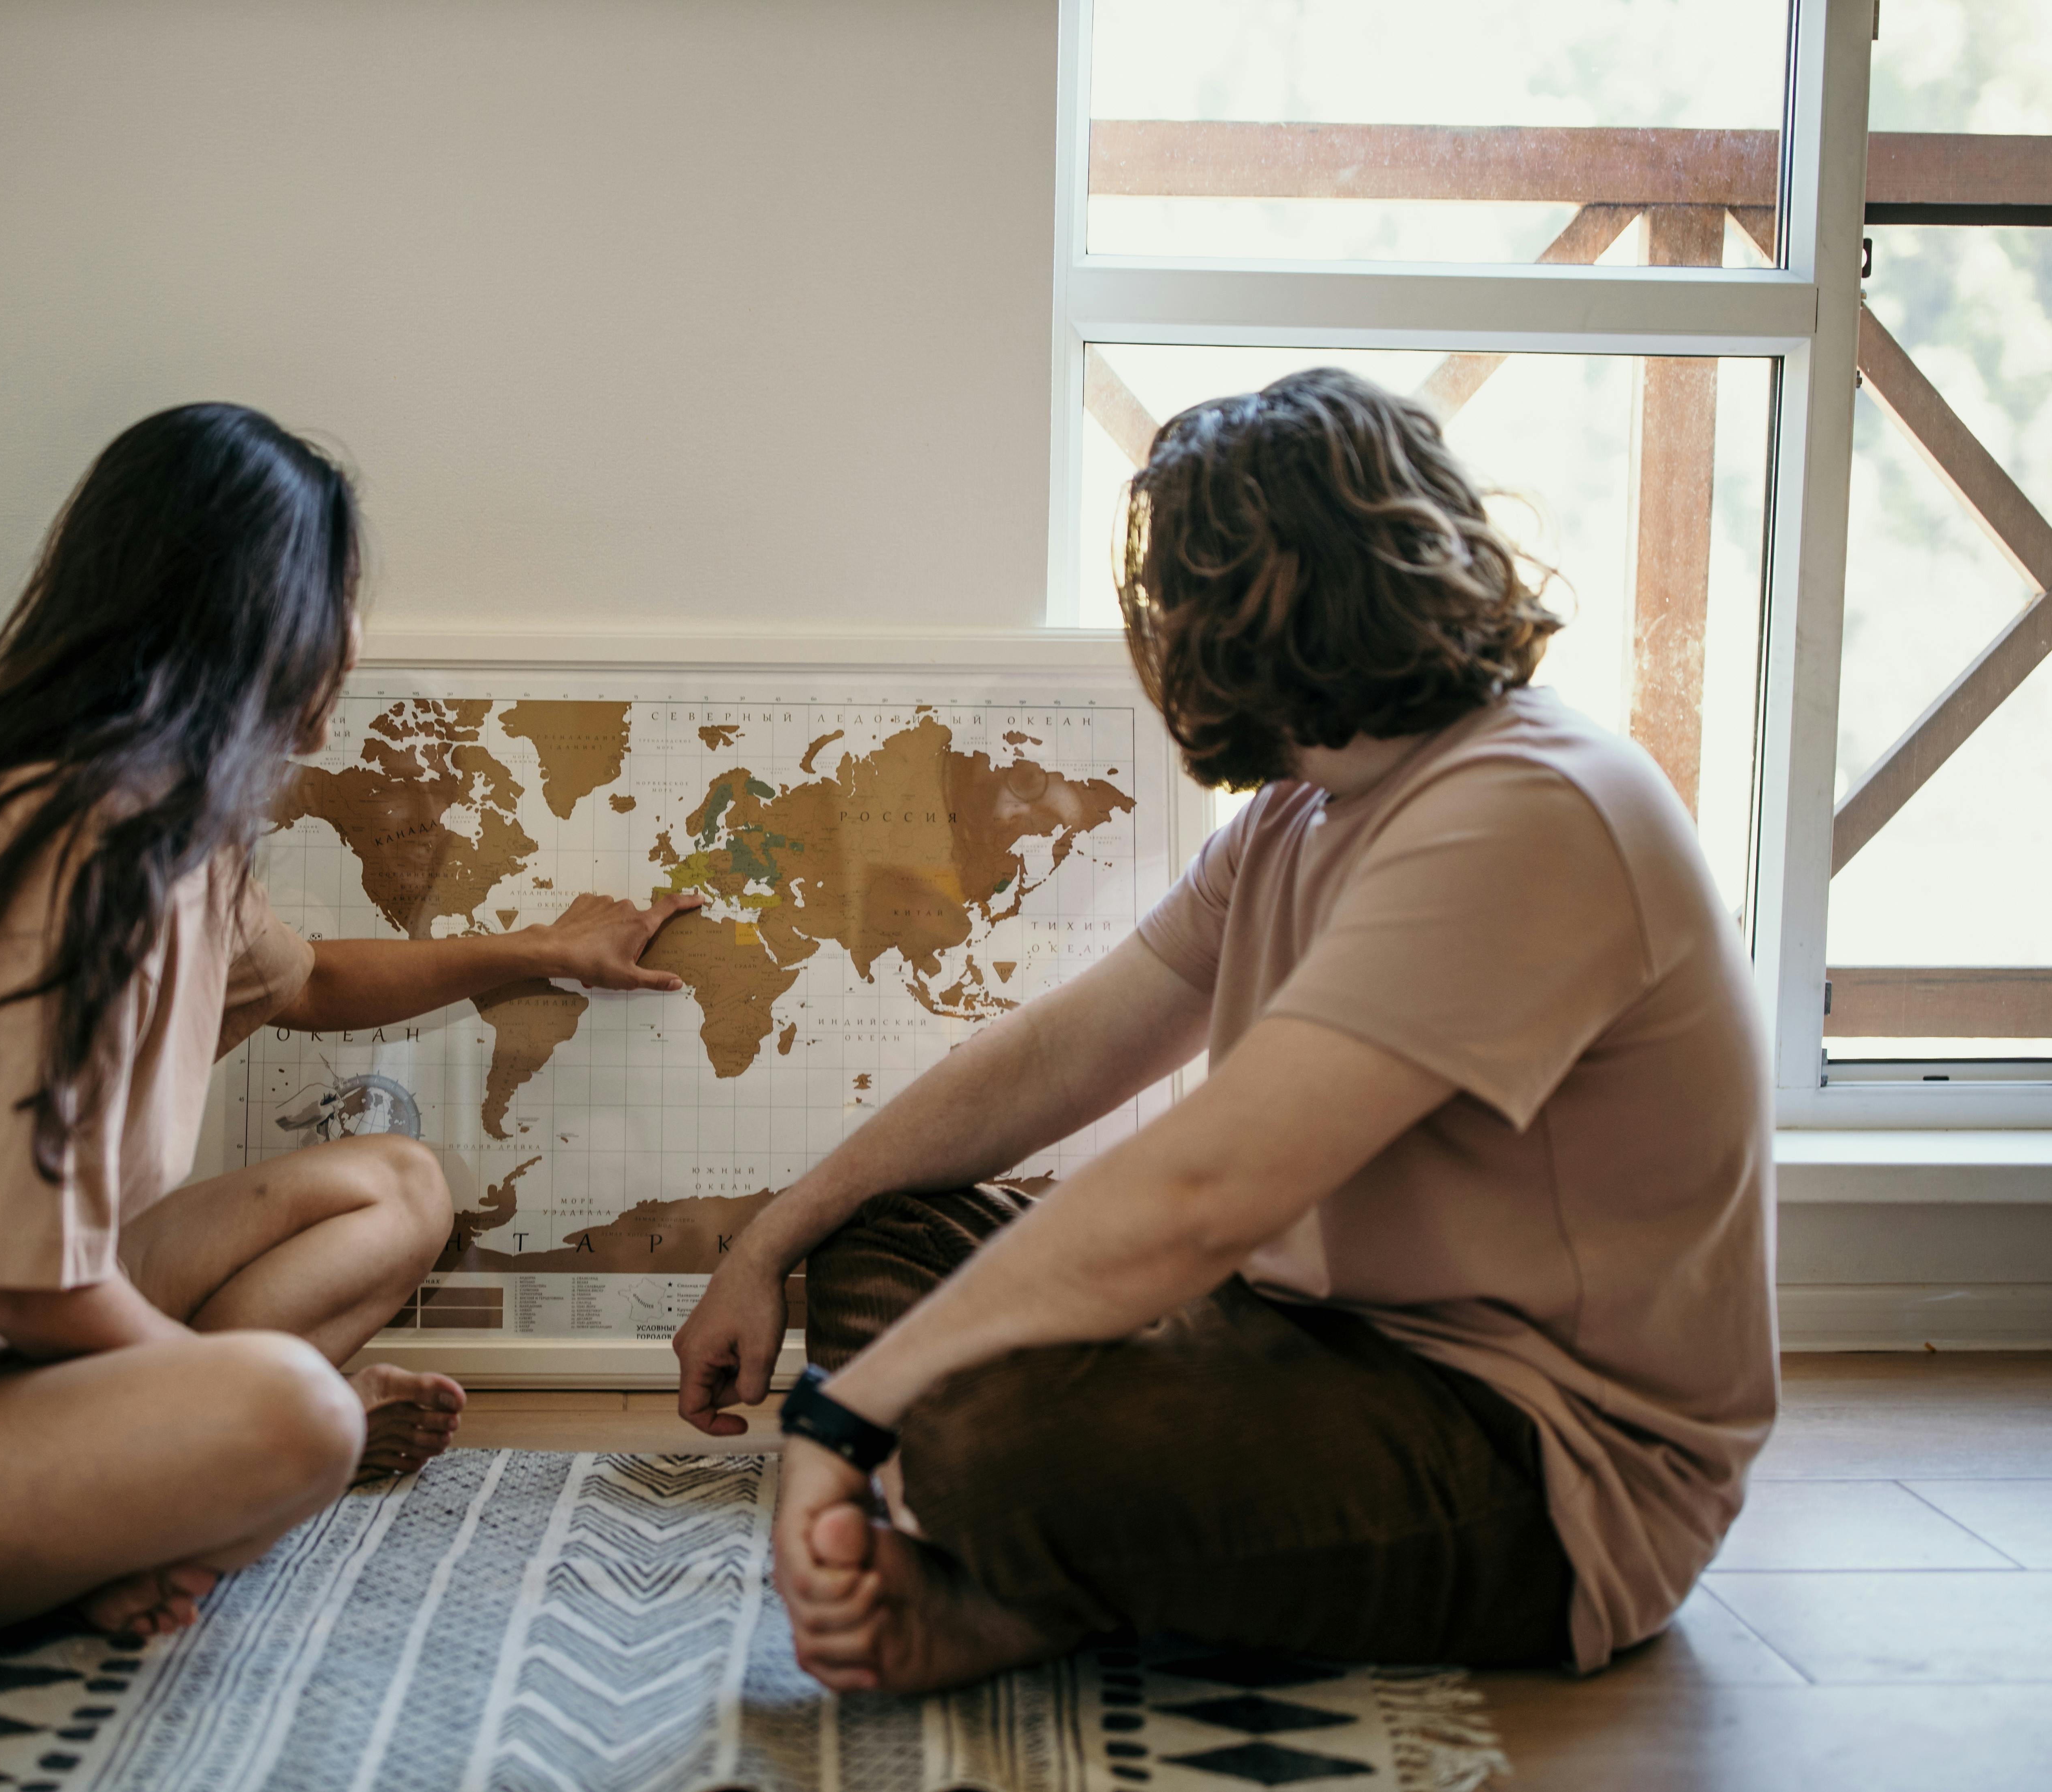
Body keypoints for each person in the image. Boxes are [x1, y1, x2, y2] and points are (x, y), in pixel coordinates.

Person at [672, 368, 1776, 1691]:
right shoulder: (1299, 811)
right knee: (889, 1232)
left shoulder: (1530, 806)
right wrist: (771, 1236)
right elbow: (1050, 1059)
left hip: (1539, 1464)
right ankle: (1044, 1567)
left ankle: (1020, 1588)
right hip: (1300, 1336)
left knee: (992, 1432)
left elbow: (1202, 1191)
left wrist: (841, 1414)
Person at [0, 403, 698, 1655]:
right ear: (265, 617)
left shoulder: (168, 825)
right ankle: (145, 1503)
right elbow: (12, 1277)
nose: (354, 638)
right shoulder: (60, 848)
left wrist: (541, 951)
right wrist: (265, 1401)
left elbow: (307, 983)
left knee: (401, 1181)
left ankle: (132, 1494)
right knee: (303, 1421)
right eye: (340, 598)